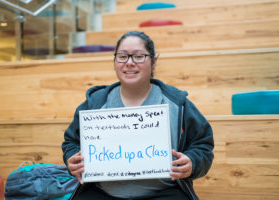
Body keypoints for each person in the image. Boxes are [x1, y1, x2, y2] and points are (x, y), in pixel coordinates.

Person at [62, 31, 214, 200]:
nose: (129, 63)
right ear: (114, 61)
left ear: (154, 61)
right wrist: (72, 158)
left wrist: (192, 162)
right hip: (102, 193)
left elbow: (203, 145)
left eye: (138, 56)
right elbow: (71, 142)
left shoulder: (177, 104)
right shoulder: (95, 104)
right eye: (122, 56)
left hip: (164, 193)